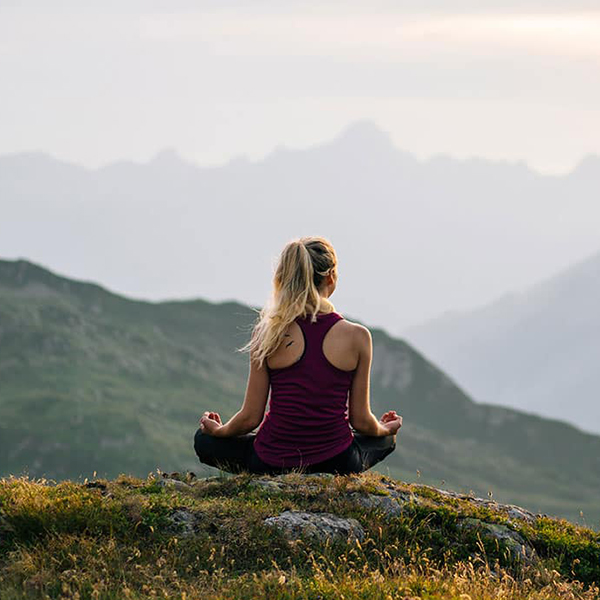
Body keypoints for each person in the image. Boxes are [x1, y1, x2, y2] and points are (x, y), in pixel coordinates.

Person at [194, 236, 402, 475]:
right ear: (330, 277)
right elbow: (361, 421)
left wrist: (218, 431)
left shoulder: (268, 332)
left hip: (270, 463)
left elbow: (250, 418)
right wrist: (386, 429)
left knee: (203, 439)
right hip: (338, 462)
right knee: (384, 440)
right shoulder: (358, 336)